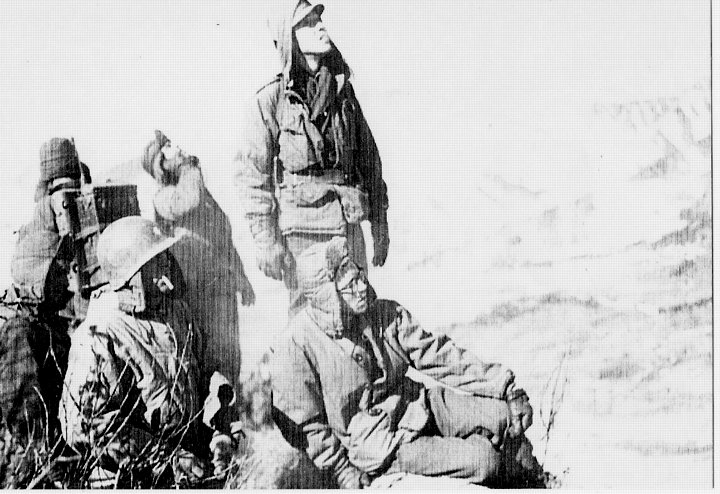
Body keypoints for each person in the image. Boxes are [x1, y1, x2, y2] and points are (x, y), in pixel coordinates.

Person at [270, 237, 543, 488]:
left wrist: (505, 387)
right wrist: (342, 470)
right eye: (350, 286)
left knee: (503, 416)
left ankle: (540, 484)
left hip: (417, 404)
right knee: (483, 461)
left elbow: (440, 356)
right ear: (328, 297)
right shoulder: (296, 346)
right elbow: (307, 425)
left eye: (360, 276)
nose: (362, 287)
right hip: (383, 444)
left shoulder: (384, 313)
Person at [235, 0, 390, 314]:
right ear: (289, 37)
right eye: (307, 22)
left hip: (348, 226)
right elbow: (252, 177)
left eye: (319, 19)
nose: (320, 26)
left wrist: (379, 221)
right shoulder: (271, 101)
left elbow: (369, 160)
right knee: (307, 322)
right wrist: (266, 241)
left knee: (359, 313)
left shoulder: (343, 93)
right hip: (302, 238)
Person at [59, 216, 209, 487]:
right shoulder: (98, 335)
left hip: (188, 472)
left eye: (164, 256)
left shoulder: (176, 313)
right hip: (129, 481)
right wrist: (167, 458)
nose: (166, 265)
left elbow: (207, 371)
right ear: (131, 274)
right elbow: (86, 425)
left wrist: (222, 430)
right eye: (155, 260)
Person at [140, 130, 255, 390]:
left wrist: (242, 278)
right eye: (169, 148)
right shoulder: (164, 197)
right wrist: (189, 166)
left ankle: (228, 412)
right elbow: (189, 201)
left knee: (230, 361)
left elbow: (223, 236)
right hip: (196, 295)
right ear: (161, 164)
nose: (178, 148)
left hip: (221, 291)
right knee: (206, 365)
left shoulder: (201, 195)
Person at [0, 137, 87, 435]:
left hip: (79, 334)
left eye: (73, 186)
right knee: (18, 336)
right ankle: (35, 447)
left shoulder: (93, 216)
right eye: (61, 188)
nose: (68, 196)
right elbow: (34, 281)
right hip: (53, 334)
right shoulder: (39, 225)